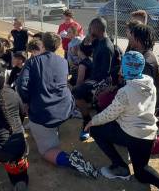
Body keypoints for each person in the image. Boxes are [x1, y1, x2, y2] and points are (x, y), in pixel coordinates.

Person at [85, 51, 159, 191]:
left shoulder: (125, 92)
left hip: (131, 134)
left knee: (96, 129)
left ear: (125, 68)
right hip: (148, 135)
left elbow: (110, 114)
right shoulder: (149, 82)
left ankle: (120, 166)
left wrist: (93, 121)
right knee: (140, 171)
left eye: (123, 65)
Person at [17, 32, 98, 178]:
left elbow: (21, 86)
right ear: (58, 46)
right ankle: (54, 128)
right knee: (49, 120)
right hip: (66, 107)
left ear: (42, 44)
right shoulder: (62, 61)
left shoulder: (33, 61)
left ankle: (70, 161)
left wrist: (27, 102)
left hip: (46, 113)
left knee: (46, 150)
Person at [73, 17, 115, 141]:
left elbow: (104, 73)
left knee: (77, 91)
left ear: (95, 29)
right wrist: (89, 39)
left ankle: (87, 120)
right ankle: (90, 111)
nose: (88, 30)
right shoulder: (98, 41)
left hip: (102, 81)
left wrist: (86, 62)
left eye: (90, 28)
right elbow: (86, 46)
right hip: (94, 76)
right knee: (75, 80)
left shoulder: (106, 47)